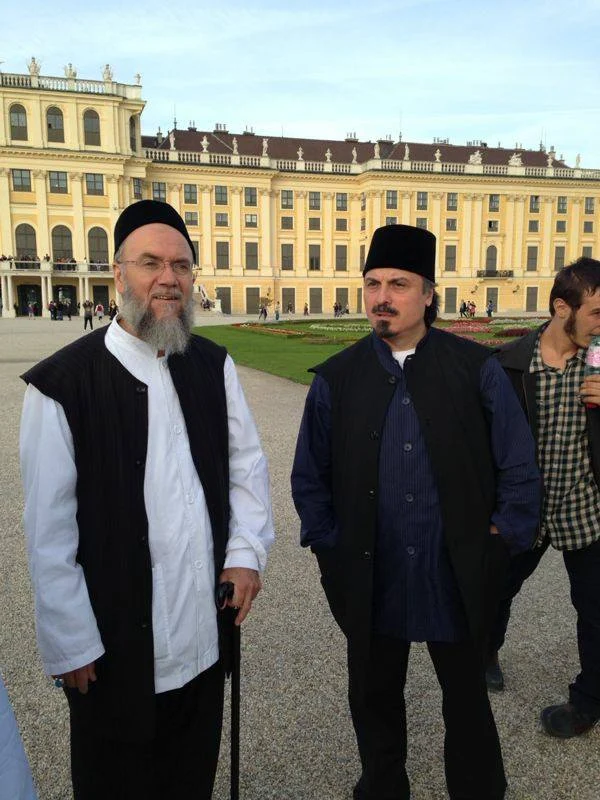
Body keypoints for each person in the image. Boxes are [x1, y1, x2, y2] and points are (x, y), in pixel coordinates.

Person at [20, 200, 275, 800]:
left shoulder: (213, 365)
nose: (169, 279)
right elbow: (49, 532)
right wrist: (70, 640)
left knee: (190, 781)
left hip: (201, 638)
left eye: (182, 266)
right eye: (151, 263)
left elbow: (247, 467)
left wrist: (245, 553)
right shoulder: (61, 385)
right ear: (118, 275)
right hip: (115, 652)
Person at [291, 224, 540, 800]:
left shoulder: (476, 368)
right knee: (374, 697)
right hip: (371, 569)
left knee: (467, 699)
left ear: (429, 293)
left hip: (452, 567)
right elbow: (310, 476)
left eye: (398, 284)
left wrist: (502, 540)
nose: (382, 296)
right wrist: (329, 542)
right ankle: (382, 788)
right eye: (373, 283)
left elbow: (518, 464)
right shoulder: (337, 377)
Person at [486, 257, 600, 738]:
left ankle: (588, 702)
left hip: (585, 513)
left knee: (596, 611)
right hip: (525, 513)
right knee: (495, 592)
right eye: (596, 313)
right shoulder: (509, 365)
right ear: (561, 307)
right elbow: (481, 448)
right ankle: (485, 651)